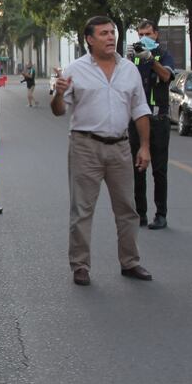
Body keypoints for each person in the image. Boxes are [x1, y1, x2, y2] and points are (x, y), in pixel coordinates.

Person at [51, 16, 153, 286]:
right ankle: (80, 266)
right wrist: (59, 93)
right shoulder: (75, 69)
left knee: (128, 209)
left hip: (120, 146)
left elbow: (140, 110)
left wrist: (144, 146)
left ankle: (130, 262)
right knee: (82, 209)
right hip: (85, 146)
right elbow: (59, 111)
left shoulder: (129, 70)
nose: (111, 38)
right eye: (104, 33)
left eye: (113, 33)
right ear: (89, 39)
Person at [127, 19, 175, 229]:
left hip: (158, 119)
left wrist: (150, 59)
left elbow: (166, 76)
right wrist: (128, 59)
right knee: (138, 168)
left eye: (148, 34)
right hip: (137, 119)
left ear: (156, 34)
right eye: (140, 35)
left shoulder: (163, 55)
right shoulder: (133, 58)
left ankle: (161, 214)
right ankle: (140, 213)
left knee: (159, 170)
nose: (143, 38)